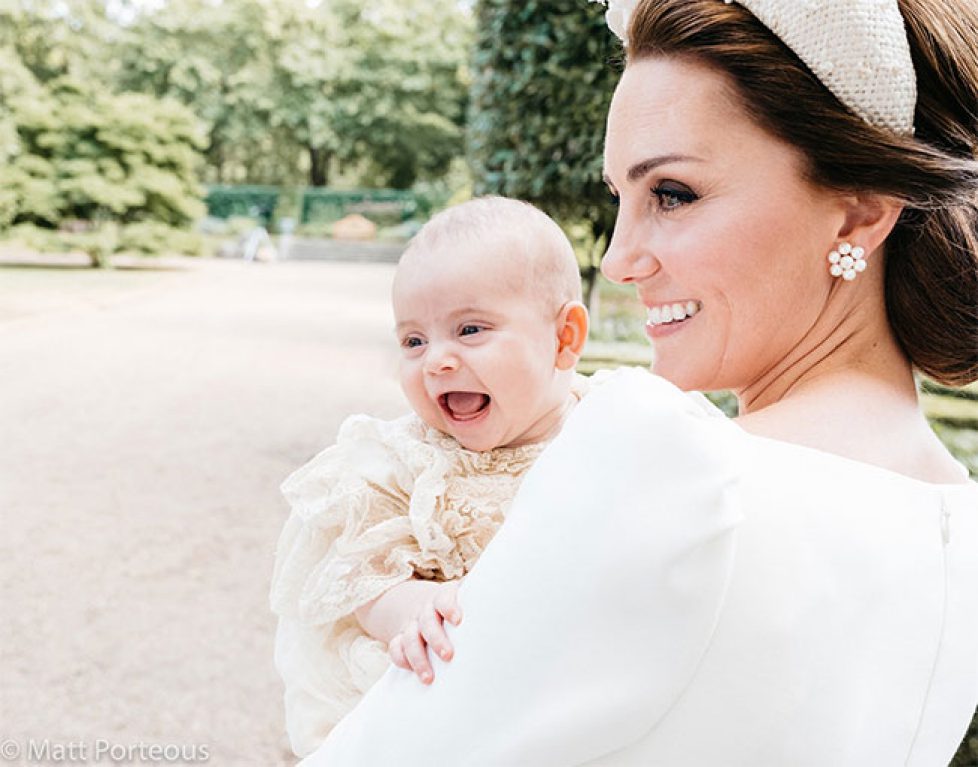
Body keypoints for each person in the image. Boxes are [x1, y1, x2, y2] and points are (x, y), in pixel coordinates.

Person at [299, 0, 978, 765]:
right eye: (619, 199)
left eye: (673, 194)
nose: (619, 259)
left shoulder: (663, 463)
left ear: (857, 215)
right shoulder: (958, 523)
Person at [269, 196, 590, 757]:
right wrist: (410, 606)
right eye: (413, 341)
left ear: (564, 339)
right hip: (440, 691)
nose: (436, 360)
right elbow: (354, 577)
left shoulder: (607, 429)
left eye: (469, 330)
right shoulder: (400, 462)